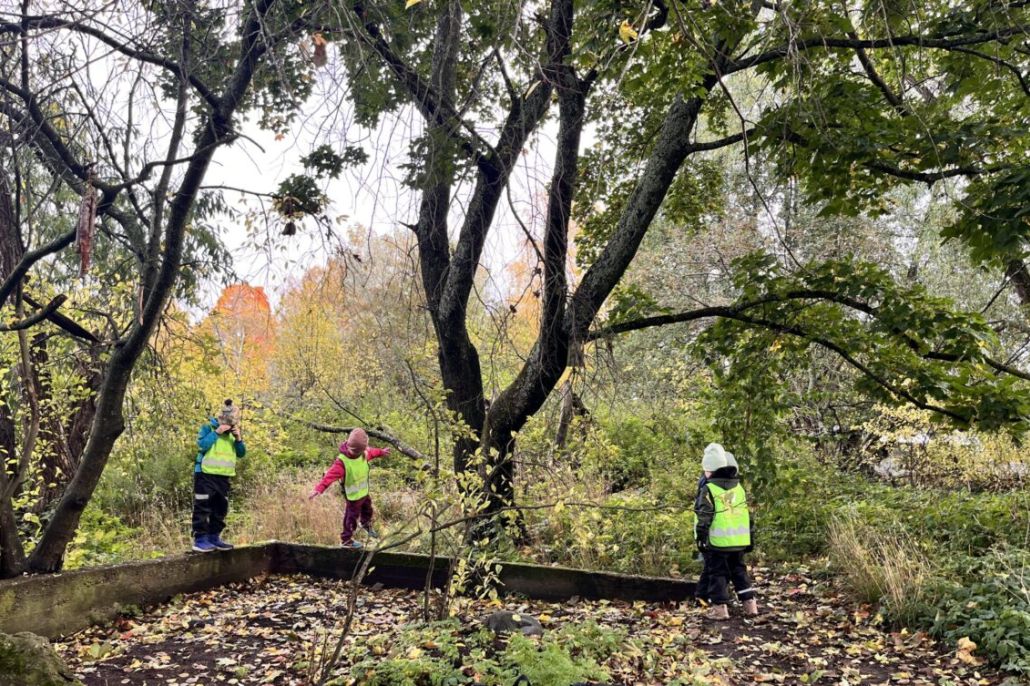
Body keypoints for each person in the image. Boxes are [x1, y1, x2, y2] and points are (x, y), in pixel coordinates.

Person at [694, 442, 758, 620]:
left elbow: (704, 516)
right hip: (738, 541)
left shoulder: (709, 489)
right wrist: (750, 538)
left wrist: (701, 538)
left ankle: (720, 609)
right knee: (739, 572)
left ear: (711, 470)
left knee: (718, 574)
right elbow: (746, 516)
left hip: (718, 542)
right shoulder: (739, 489)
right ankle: (750, 605)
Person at [309, 428, 391, 549]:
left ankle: (366, 525)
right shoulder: (342, 462)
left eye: (358, 451)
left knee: (368, 510)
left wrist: (381, 452)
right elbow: (329, 476)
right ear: (348, 445)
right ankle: (346, 540)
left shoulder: (364, 453)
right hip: (353, 497)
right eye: (354, 451)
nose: (355, 453)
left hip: (363, 492)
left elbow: (372, 452)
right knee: (351, 518)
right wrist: (318, 489)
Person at [192, 399, 246, 552]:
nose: (230, 424)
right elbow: (202, 445)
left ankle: (214, 537)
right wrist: (217, 432)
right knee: (202, 507)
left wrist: (238, 439)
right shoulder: (208, 428)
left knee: (220, 508)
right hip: (205, 474)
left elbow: (241, 453)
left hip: (223, 477)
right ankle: (200, 539)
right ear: (221, 417)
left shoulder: (232, 435)